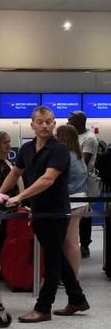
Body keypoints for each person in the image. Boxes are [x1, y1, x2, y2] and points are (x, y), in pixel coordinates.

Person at [0, 106, 89, 323]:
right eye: (40, 122)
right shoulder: (27, 149)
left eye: (49, 121)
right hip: (38, 211)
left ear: (54, 123)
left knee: (52, 261)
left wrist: (19, 197)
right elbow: (15, 172)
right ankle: (77, 299)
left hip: (56, 212)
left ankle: (43, 308)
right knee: (56, 254)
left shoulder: (59, 149)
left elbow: (48, 179)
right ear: (32, 124)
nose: (45, 125)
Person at [56, 125, 88, 277]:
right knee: (71, 241)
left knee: (71, 242)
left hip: (73, 201)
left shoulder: (67, 156)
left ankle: (73, 277)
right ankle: (69, 276)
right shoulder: (78, 155)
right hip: (81, 199)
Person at [68, 111, 98, 259]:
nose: (68, 119)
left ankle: (85, 244)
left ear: (79, 121)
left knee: (85, 213)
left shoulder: (89, 138)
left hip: (84, 180)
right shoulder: (74, 135)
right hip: (72, 180)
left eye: (71, 118)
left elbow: (83, 162)